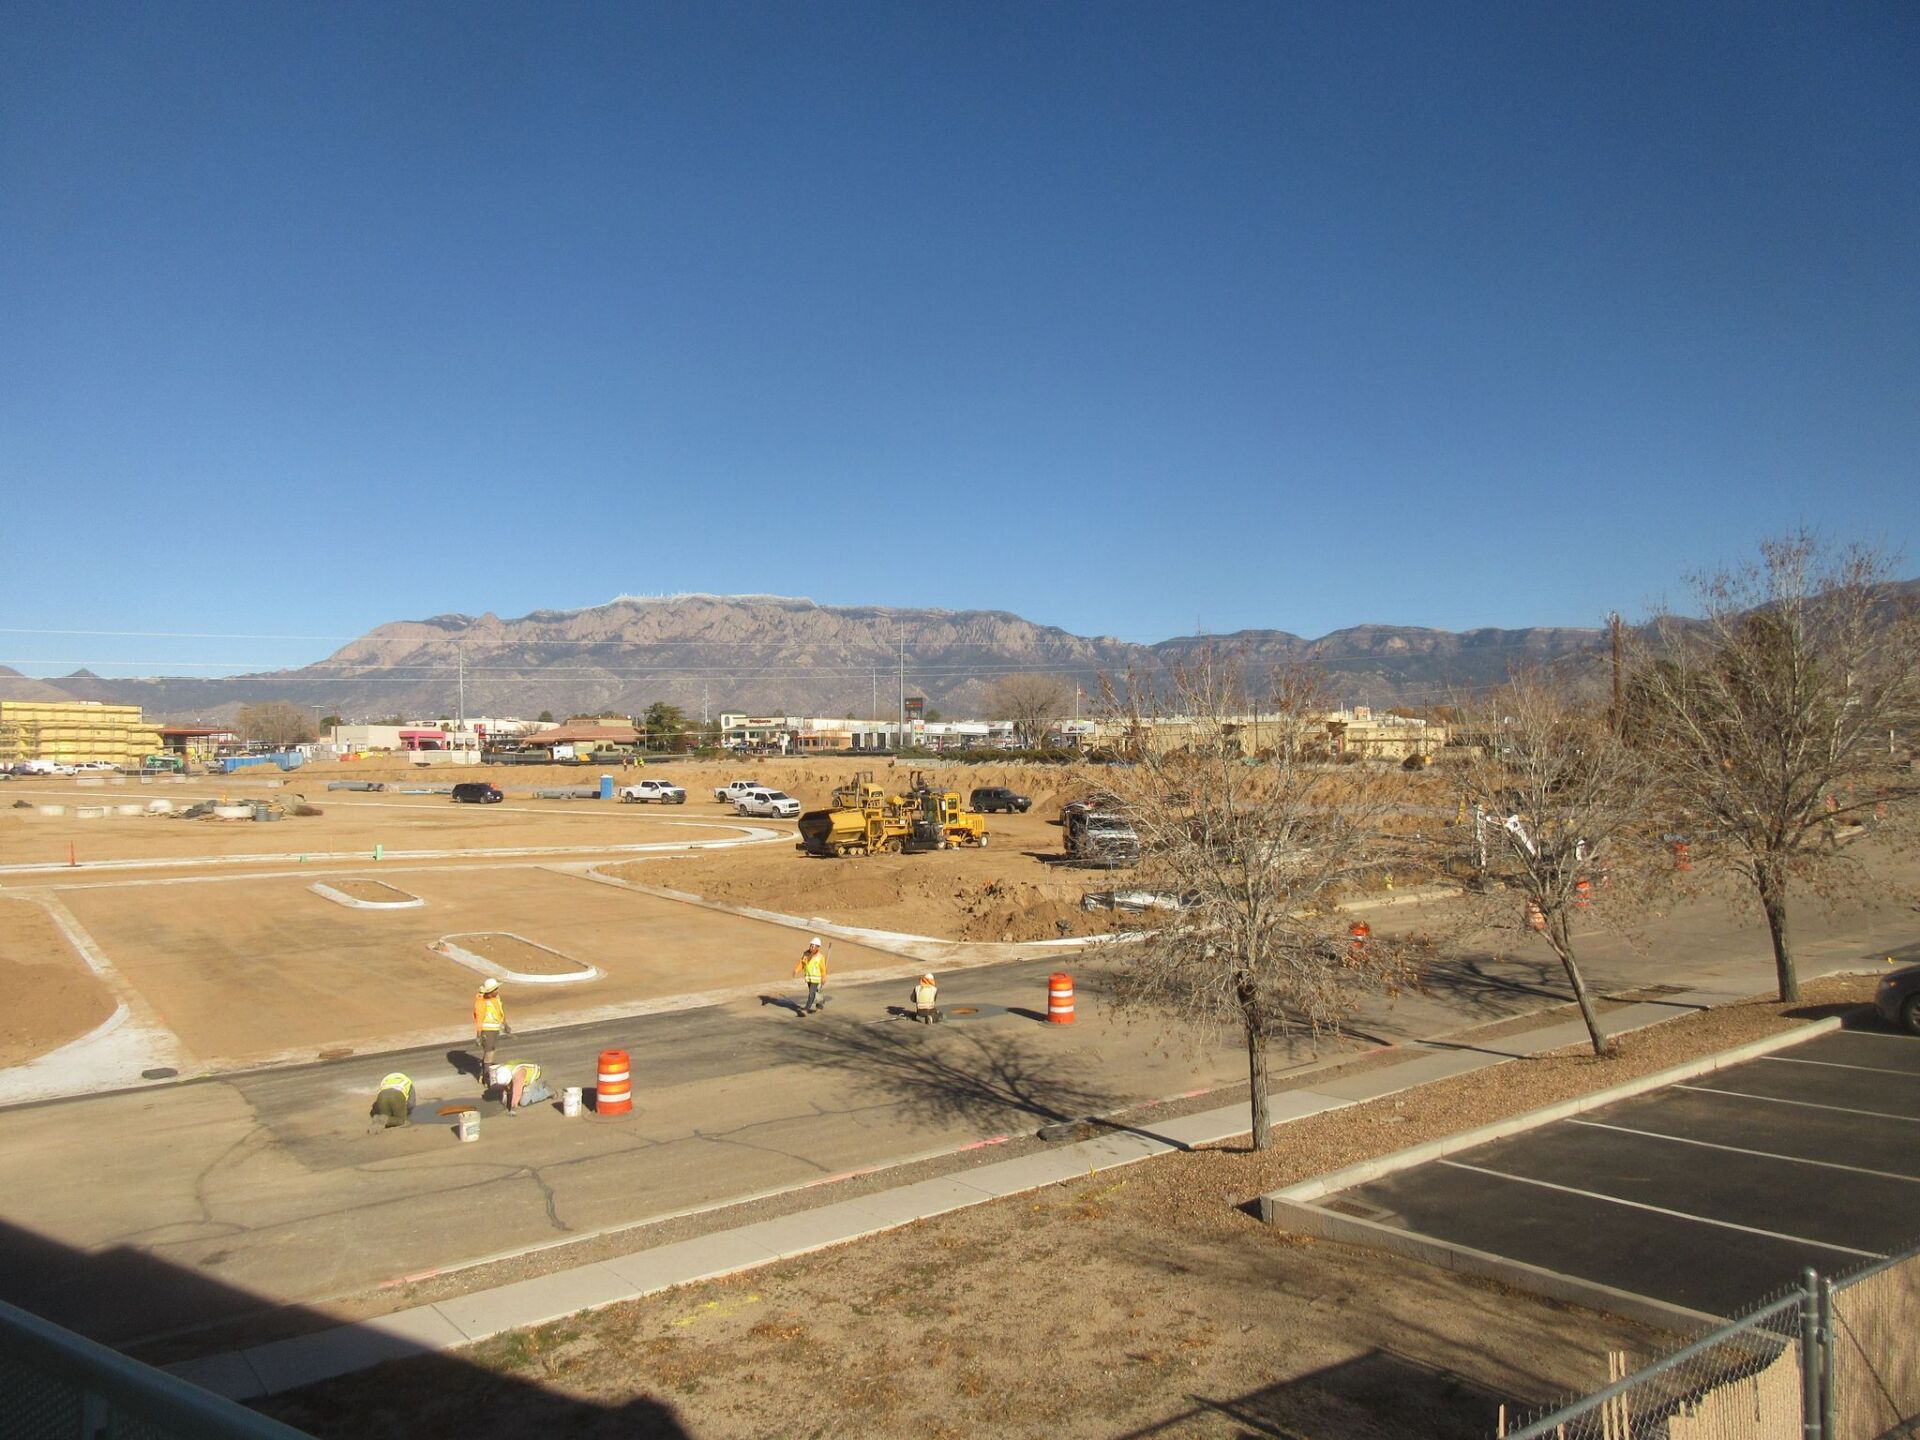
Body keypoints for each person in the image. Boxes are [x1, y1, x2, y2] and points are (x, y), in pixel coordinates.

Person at [474, 977, 509, 1078]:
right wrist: (478, 1035)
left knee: (492, 1050)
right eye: (495, 989)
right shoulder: (481, 1002)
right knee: (489, 1051)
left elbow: (500, 1012)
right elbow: (479, 1019)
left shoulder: (496, 999)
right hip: (486, 1030)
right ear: (489, 992)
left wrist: (505, 1024)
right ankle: (486, 1074)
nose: (497, 991)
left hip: (495, 1029)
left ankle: (485, 1069)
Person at [793, 937, 828, 1015]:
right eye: (811, 945)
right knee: (814, 993)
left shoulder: (820, 957)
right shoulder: (806, 954)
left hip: (816, 978)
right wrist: (796, 970)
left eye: (813, 946)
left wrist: (824, 977)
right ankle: (820, 1004)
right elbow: (802, 964)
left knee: (811, 994)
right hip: (808, 978)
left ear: (817, 947)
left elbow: (823, 969)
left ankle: (806, 1009)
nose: (811, 947)